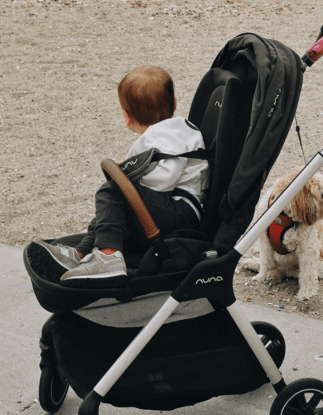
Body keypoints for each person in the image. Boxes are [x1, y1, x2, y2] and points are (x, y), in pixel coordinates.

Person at [34, 65, 209, 285]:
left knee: (110, 193)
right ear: (174, 103)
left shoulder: (165, 135)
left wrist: (129, 182)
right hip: (180, 210)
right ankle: (82, 253)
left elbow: (165, 177)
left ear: (127, 117)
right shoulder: (179, 129)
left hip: (181, 212)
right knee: (112, 209)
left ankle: (108, 256)